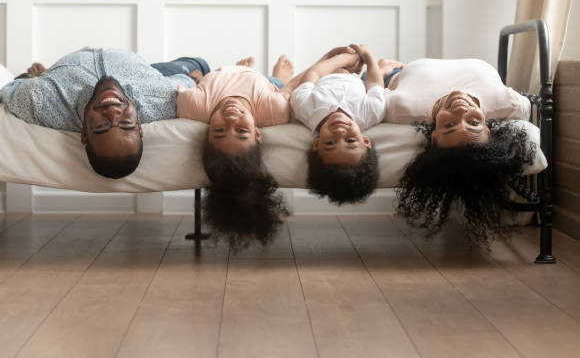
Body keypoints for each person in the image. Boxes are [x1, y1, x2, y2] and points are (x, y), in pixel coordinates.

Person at [383, 58, 536, 246]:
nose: (461, 112)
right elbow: (526, 107)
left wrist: (383, 70)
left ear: (434, 137)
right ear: (488, 130)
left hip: (396, 74)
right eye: (473, 123)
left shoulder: (402, 108)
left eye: (449, 125)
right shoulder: (510, 104)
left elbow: (373, 92)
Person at [0, 47, 209, 179]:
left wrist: (42, 79)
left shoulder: (40, 101)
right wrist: (197, 78)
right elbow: (195, 79)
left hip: (65, 71)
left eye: (101, 126)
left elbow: (9, 89)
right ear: (139, 127)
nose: (113, 113)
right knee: (200, 64)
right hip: (147, 74)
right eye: (126, 125)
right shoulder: (163, 101)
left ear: (84, 133)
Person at [176, 55, 296, 249]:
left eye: (220, 130)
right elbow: (294, 89)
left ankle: (240, 71)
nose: (231, 120)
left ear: (208, 133)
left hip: (219, 81)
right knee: (277, 85)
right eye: (241, 131)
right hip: (258, 84)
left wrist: (197, 81)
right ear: (257, 133)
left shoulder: (193, 105)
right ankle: (272, 77)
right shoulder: (273, 109)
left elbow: (183, 86)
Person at [291, 44, 403, 204]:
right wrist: (367, 57)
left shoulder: (304, 109)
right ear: (365, 141)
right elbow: (374, 84)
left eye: (330, 143)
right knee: (373, 82)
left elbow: (314, 73)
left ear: (317, 144)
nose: (340, 133)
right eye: (351, 141)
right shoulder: (371, 113)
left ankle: (378, 68)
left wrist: (342, 59)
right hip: (357, 82)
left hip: (328, 73)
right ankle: (381, 68)